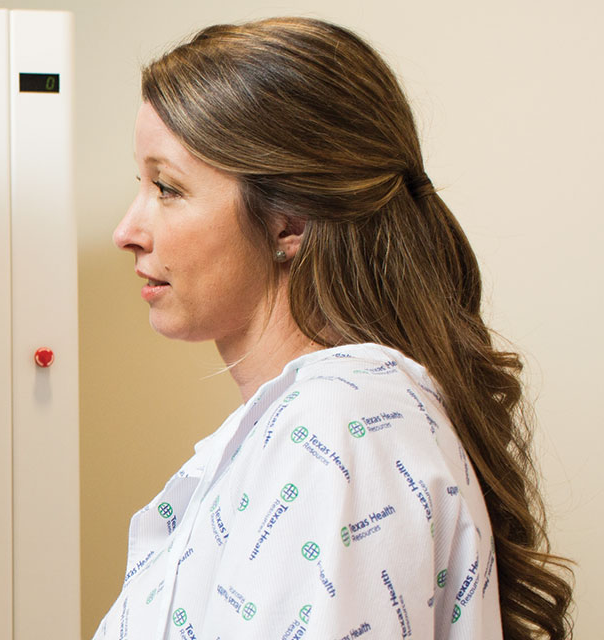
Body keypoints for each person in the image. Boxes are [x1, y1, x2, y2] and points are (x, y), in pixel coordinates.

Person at [94, 18, 573, 640]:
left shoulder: (338, 427)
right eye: (142, 184)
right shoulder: (315, 420)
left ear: (288, 222)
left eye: (168, 188)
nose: (126, 230)